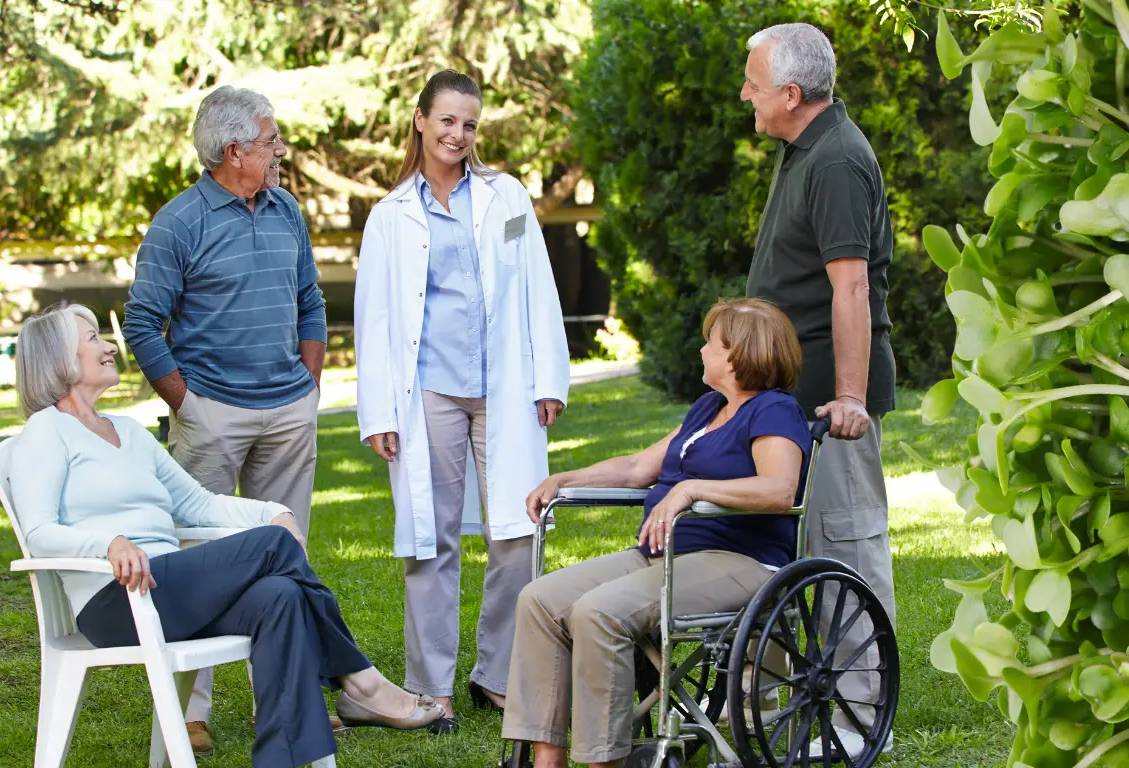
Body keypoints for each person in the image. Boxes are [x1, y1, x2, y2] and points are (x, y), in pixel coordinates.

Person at [9, 304, 443, 768]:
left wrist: (273, 511)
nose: (109, 345)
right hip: (115, 601)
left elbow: (197, 504)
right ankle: (360, 681)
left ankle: (284, 759)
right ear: (58, 359)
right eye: (93, 338)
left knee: (281, 596)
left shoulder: (130, 433)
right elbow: (38, 532)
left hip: (169, 589)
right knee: (275, 548)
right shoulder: (46, 432)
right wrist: (108, 544)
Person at [500, 298, 811, 767]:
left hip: (741, 563)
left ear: (737, 356)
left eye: (711, 342)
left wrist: (690, 489)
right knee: (540, 600)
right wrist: (565, 479)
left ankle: (605, 760)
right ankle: (547, 760)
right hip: (663, 554)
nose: (702, 349)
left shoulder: (774, 411)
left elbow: (779, 489)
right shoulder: (709, 409)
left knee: (599, 612)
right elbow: (638, 468)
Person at [353, 70, 569, 733]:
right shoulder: (391, 216)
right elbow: (376, 321)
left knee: (517, 529)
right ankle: (431, 685)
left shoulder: (506, 198)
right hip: (429, 395)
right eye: (447, 120)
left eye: (470, 124)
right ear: (420, 121)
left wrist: (547, 380)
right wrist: (379, 414)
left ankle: (496, 673)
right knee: (430, 539)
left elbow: (537, 284)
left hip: (502, 388)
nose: (458, 134)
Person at [121, 85, 326, 752]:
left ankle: (289, 699)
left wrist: (308, 383)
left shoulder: (286, 209)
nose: (279, 153)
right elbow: (143, 325)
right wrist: (189, 405)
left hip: (287, 411)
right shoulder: (178, 222)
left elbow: (309, 298)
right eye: (271, 143)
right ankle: (187, 712)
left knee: (288, 555)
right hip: (212, 414)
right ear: (233, 151)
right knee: (199, 561)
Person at [740, 23, 897, 758]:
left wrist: (852, 401)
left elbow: (852, 287)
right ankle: (806, 702)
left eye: (755, 84)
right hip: (788, 401)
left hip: (832, 407)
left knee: (848, 551)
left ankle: (864, 717)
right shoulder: (802, 147)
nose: (747, 95)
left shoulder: (836, 159)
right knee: (796, 553)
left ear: (791, 94)